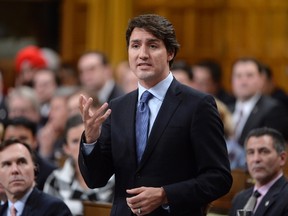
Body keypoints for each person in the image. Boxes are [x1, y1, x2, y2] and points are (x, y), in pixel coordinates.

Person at [78, 14, 232, 216]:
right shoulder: (117, 108)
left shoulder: (198, 105)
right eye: (135, 46)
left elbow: (219, 178)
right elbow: (95, 179)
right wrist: (90, 139)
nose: (142, 54)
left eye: (152, 45)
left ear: (170, 52)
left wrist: (165, 194)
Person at [44, 114, 114, 215]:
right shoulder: (55, 181)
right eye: (75, 141)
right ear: (66, 148)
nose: (81, 145)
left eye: (84, 138)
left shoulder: (114, 179)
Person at [0, 139, 72, 216]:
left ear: (34, 169)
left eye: (21, 162)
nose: (15, 170)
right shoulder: (2, 211)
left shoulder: (55, 209)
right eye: (7, 164)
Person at [230, 57, 288, 147]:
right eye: (238, 76)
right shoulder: (227, 110)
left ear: (261, 79)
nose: (243, 81)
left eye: (249, 75)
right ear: (232, 80)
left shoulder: (273, 109)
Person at [229, 127, 288, 216]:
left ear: (282, 158)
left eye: (264, 151)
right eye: (251, 152)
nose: (256, 159)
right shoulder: (239, 199)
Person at [3, 117, 57, 191]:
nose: (17, 144)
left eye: (23, 138)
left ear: (35, 140)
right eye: (11, 139)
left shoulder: (51, 174)